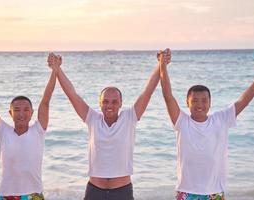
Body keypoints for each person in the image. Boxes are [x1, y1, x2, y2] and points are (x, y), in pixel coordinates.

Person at [47, 52, 169, 200]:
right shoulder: (92, 118)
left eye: (114, 102)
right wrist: (57, 69)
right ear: (100, 103)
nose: (109, 105)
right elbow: (72, 94)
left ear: (120, 104)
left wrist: (160, 65)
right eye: (105, 101)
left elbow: (147, 92)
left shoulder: (130, 117)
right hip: (94, 191)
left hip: (122, 191)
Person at [159, 51, 254, 200]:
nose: (200, 104)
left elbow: (244, 101)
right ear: (187, 103)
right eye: (195, 100)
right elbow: (168, 96)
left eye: (204, 100)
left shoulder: (220, 119)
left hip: (214, 192)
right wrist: (162, 65)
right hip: (187, 191)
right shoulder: (181, 121)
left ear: (210, 103)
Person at [0, 54, 57, 200]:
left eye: (26, 110)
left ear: (32, 112)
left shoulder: (38, 130)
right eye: (16, 110)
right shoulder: (3, 131)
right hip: (7, 195)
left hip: (34, 194)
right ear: (10, 113)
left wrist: (55, 71)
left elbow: (46, 100)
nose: (21, 114)